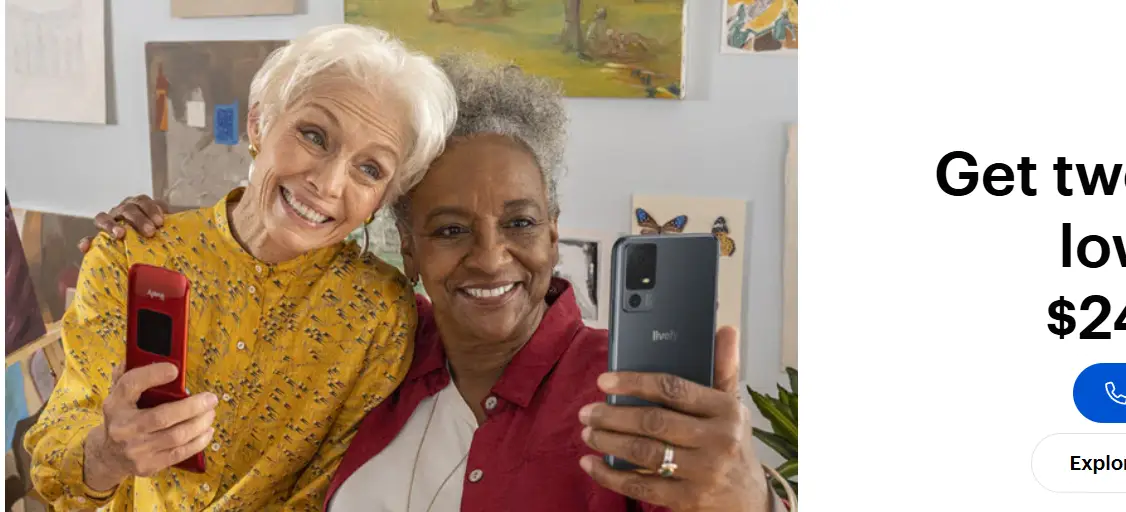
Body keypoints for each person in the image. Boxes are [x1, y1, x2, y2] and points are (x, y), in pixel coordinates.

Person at [82, 53, 796, 512]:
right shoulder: (373, 340)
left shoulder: (624, 383)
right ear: (410, 251)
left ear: (554, 230)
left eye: (518, 223)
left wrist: (753, 500)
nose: (490, 258)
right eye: (451, 230)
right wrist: (173, 233)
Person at [26, 24, 457, 510]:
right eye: (315, 136)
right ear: (258, 125)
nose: (329, 182)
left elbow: (330, 495)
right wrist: (107, 455)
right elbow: (56, 455)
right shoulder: (130, 253)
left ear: (382, 198)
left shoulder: (380, 315)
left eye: (370, 169)